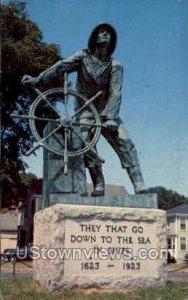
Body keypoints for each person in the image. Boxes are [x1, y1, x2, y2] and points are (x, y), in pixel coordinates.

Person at [22, 22, 146, 196]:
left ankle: (139, 183)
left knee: (125, 141)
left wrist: (110, 117)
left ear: (113, 40)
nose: (105, 34)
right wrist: (38, 80)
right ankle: (99, 184)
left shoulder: (115, 66)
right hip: (85, 112)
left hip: (107, 112)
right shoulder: (82, 57)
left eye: (109, 33)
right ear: (94, 37)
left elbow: (116, 92)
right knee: (84, 144)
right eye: (101, 32)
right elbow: (60, 67)